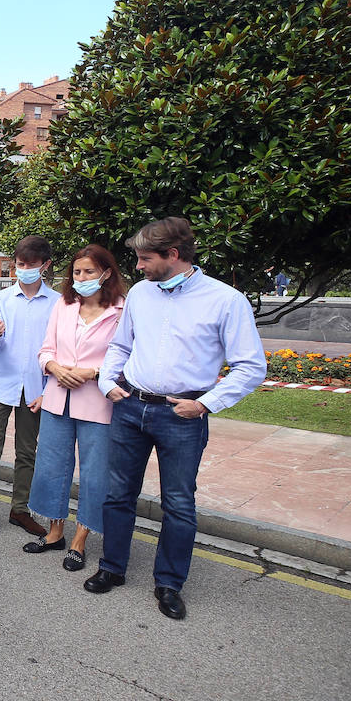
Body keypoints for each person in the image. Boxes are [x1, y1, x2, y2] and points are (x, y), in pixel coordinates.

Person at [86, 217, 266, 620]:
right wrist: (108, 383)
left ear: (174, 255)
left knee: (179, 503)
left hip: (182, 414)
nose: (139, 267)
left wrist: (206, 404)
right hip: (130, 406)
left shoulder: (225, 300)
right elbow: (120, 344)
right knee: (117, 495)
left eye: (145, 258)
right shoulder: (141, 295)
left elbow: (250, 367)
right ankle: (111, 568)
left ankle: (169, 583)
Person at [22, 245, 127, 571]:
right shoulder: (63, 306)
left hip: (97, 404)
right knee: (51, 467)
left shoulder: (122, 311)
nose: (81, 278)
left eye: (89, 272)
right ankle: (55, 532)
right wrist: (53, 367)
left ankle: (81, 540)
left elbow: (126, 358)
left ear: (106, 273)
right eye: (77, 272)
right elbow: (45, 350)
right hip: (57, 398)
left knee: (95, 475)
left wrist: (93, 372)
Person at [0, 235, 59, 542]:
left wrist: (49, 390)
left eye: (31, 265)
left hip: (35, 388)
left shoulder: (58, 303)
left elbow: (58, 349)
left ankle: (20, 509)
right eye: (20, 264)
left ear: (45, 265)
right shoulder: (1, 299)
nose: (24, 270)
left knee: (27, 453)